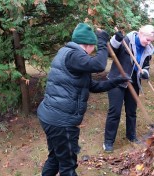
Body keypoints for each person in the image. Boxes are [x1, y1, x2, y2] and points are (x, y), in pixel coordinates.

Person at [37, 23, 130, 175]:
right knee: (68, 166)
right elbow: (99, 64)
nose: (94, 50)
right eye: (94, 46)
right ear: (88, 45)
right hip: (61, 122)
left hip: (51, 117)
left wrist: (117, 81)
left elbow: (93, 86)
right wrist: (102, 41)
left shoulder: (70, 54)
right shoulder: (74, 55)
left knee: (55, 158)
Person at [103, 25, 154, 152]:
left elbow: (146, 65)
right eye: (147, 39)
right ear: (140, 34)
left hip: (133, 82)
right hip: (117, 80)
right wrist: (115, 40)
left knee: (131, 111)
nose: (148, 43)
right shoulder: (126, 41)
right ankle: (108, 142)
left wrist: (145, 72)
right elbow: (110, 52)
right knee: (114, 112)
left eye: (151, 41)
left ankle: (131, 135)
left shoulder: (148, 49)